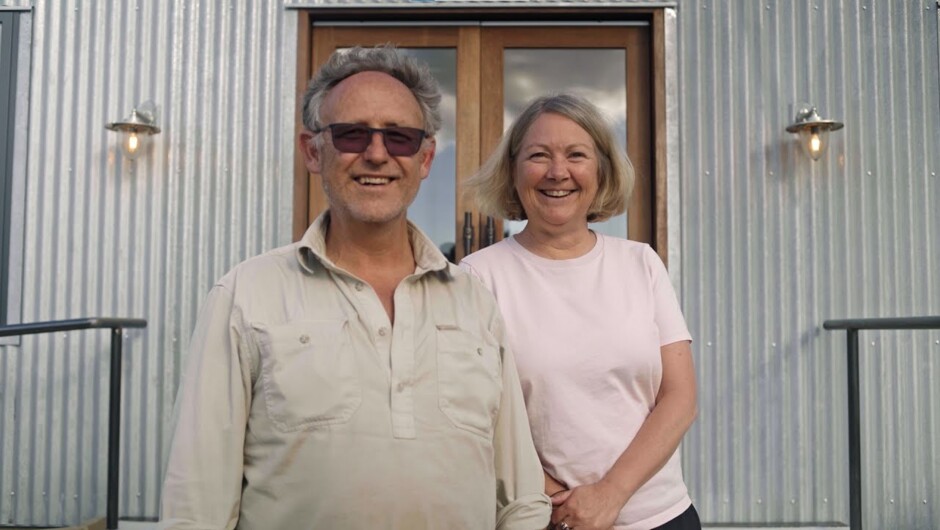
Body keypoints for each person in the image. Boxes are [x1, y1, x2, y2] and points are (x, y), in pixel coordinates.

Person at [159, 45, 550, 529]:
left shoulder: (475, 302)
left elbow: (521, 496)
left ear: (426, 157)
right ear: (312, 150)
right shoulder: (246, 295)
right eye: (351, 134)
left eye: (400, 138)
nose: (377, 154)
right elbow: (196, 503)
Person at [460, 94, 700, 530]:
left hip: (663, 517)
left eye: (576, 155)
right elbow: (477, 419)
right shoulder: (478, 278)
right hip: (548, 520)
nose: (558, 172)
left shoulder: (641, 262)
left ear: (601, 171)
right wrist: (560, 504)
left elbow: (680, 398)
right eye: (538, 156)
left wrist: (611, 495)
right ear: (513, 172)